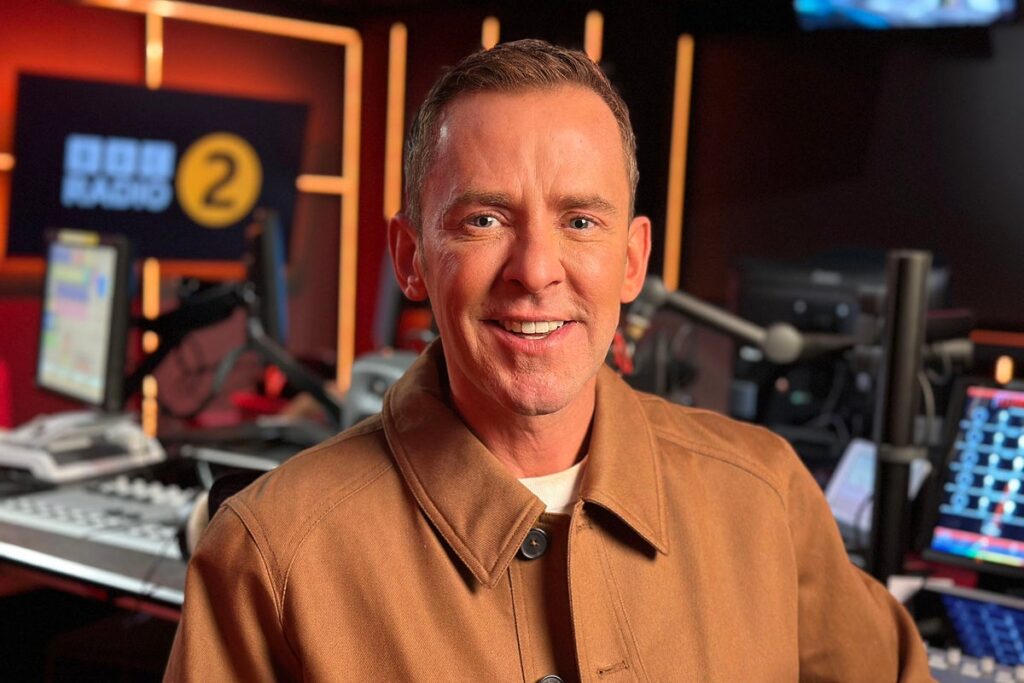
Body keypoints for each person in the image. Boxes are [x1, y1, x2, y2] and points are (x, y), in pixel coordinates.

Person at [165, 39, 931, 681]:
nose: (535, 270)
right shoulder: (269, 558)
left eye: (580, 220)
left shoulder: (766, 498)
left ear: (632, 260)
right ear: (410, 257)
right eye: (484, 219)